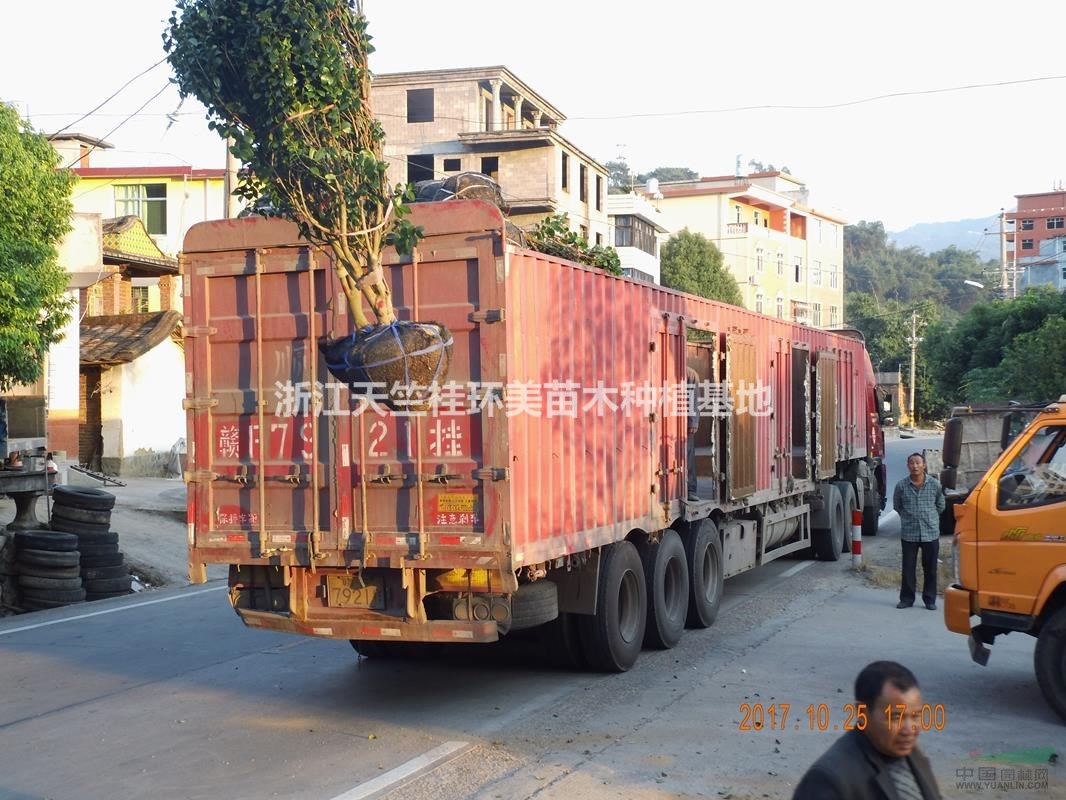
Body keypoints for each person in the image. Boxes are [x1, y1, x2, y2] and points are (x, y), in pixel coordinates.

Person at [793, 661, 942, 800]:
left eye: (915, 716)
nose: (909, 730)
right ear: (862, 713)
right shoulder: (830, 779)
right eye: (895, 717)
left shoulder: (910, 752)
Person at [893, 452, 945, 610]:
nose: (915, 466)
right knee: (908, 568)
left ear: (924, 465)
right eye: (911, 463)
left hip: (930, 533)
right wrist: (909, 518)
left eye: (918, 463)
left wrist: (930, 518)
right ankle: (907, 599)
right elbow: (898, 506)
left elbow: (941, 505)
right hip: (909, 533)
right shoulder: (901, 486)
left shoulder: (934, 484)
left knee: (930, 568)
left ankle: (930, 600)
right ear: (908, 466)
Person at [686, 367, 700, 500]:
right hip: (670, 421)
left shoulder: (690, 374)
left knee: (688, 454)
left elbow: (693, 400)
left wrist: (693, 421)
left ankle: (691, 489)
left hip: (684, 423)